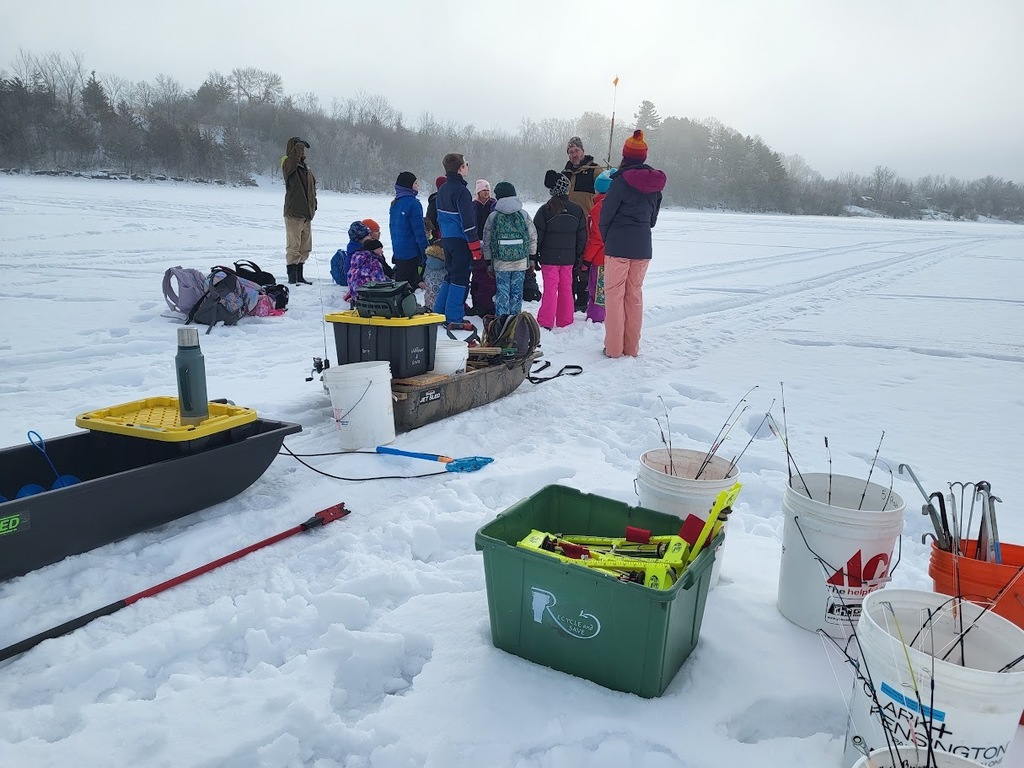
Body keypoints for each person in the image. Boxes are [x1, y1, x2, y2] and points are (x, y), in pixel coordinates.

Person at [599, 130, 667, 358]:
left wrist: (609, 238)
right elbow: (653, 220)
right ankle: (631, 348)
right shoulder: (655, 185)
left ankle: (614, 349)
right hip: (642, 246)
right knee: (634, 296)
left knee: (615, 297)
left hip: (618, 245)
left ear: (625, 155)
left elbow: (605, 216)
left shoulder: (619, 182)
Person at [534, 170, 587, 330]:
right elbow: (582, 237)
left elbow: (537, 236)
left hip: (549, 258)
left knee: (550, 289)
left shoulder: (545, 210)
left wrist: (535, 255)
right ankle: (565, 320)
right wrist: (578, 256)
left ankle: (545, 321)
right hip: (569, 258)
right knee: (566, 287)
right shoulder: (577, 210)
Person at [434, 152, 481, 329]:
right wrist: (475, 247)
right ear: (461, 168)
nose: (468, 166)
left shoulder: (443, 190)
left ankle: (439, 311)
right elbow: (468, 223)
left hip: (446, 239)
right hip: (460, 240)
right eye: (466, 164)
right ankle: (454, 316)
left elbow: (439, 218)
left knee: (451, 274)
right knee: (460, 278)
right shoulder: (462, 191)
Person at [482, 181, 537, 317]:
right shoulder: (523, 214)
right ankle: (514, 326)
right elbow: (532, 237)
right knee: (517, 294)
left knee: (502, 293)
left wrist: (489, 262)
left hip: (501, 262)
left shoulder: (493, 216)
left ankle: (501, 325)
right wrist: (532, 259)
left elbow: (487, 241)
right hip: (520, 261)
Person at [563, 136, 604, 311]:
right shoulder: (565, 173)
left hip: (588, 224)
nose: (574, 155)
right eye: (571, 152)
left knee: (586, 262)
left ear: (583, 152)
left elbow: (606, 186)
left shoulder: (594, 170)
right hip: (568, 225)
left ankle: (585, 299)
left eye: (576, 151)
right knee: (571, 262)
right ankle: (570, 299)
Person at [281, 136, 317, 286]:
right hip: (294, 212)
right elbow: (291, 161)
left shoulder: (306, 169)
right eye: (299, 148)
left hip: (306, 213)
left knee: (305, 247)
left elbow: (311, 190)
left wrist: (314, 206)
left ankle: (299, 276)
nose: (302, 152)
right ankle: (292, 278)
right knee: (293, 246)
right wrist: (298, 147)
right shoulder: (288, 164)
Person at [581, 170, 614, 323]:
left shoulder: (598, 209)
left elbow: (597, 237)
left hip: (600, 257)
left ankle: (596, 319)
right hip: (617, 255)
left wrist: (587, 259)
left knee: (598, 290)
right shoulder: (619, 205)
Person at [388, 171, 429, 287]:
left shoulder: (395, 203)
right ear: (408, 185)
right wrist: (426, 251)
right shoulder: (413, 204)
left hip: (398, 251)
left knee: (400, 285)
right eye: (416, 183)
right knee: (408, 287)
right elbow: (419, 231)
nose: (418, 186)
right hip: (411, 253)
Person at [469, 179, 497, 316]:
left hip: (490, 242)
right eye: (483, 190)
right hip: (476, 242)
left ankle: (489, 303)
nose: (486, 193)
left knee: (490, 274)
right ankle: (478, 302)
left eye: (488, 190)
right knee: (477, 273)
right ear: (478, 192)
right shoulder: (473, 205)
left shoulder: (494, 204)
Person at [425, 175, 445, 241]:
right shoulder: (435, 201)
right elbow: (430, 219)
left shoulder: (447, 199)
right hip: (438, 235)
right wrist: (433, 236)